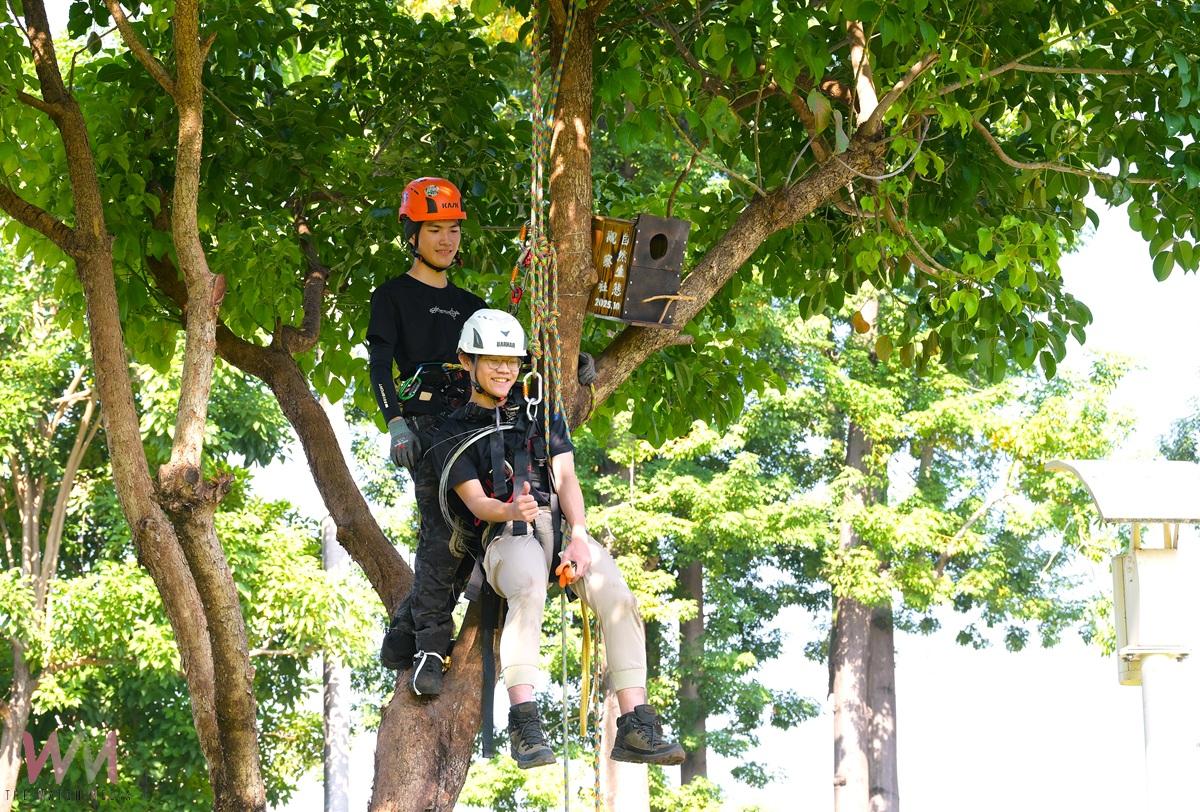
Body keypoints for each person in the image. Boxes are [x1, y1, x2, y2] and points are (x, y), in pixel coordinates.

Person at [429, 309, 685, 769]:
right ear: (467, 361)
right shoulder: (451, 431)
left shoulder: (540, 411)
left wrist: (580, 536)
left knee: (618, 596)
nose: (505, 370)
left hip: (560, 532)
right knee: (529, 585)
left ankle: (635, 724)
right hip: (505, 538)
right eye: (493, 360)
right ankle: (525, 722)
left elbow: (566, 478)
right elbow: (477, 503)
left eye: (512, 361)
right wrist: (511, 510)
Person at [368, 176, 487, 697]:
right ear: (412, 235)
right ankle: (429, 650)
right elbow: (379, 363)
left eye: (453, 229)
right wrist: (394, 421)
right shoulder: (392, 296)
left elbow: (507, 355)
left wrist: (567, 364)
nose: (446, 239)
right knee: (446, 531)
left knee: (478, 532)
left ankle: (403, 630)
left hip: (473, 427)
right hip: (425, 426)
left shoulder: (472, 305)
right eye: (434, 229)